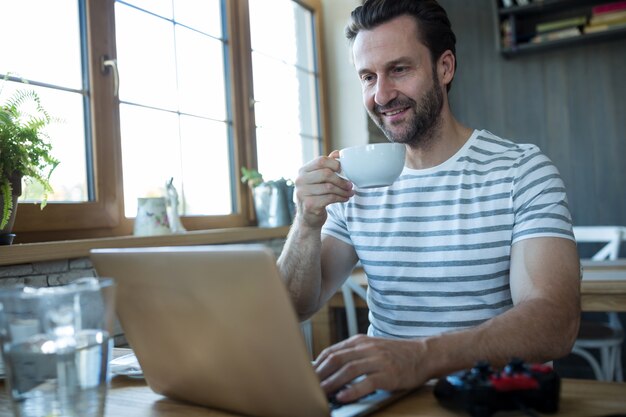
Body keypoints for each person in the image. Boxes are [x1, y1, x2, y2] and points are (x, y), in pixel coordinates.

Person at [277, 0, 580, 404]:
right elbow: (295, 306)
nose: (381, 94)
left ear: (445, 67)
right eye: (368, 77)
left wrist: (420, 358)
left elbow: (555, 321)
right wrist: (306, 221)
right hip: (381, 402)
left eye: (399, 69)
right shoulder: (354, 183)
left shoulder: (521, 170)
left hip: (482, 402)